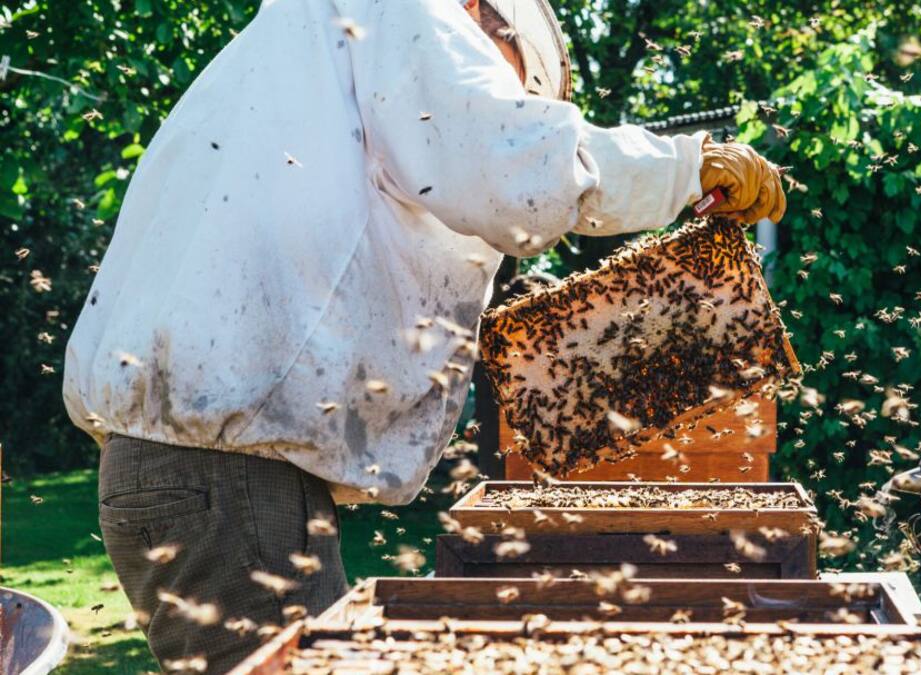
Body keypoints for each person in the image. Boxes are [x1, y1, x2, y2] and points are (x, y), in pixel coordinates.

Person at [61, 0, 785, 670]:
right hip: (223, 475)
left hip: (207, 470)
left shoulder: (304, 59)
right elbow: (504, 158)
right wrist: (684, 167)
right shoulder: (402, 9)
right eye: (513, 86)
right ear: (479, 17)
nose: (512, 102)